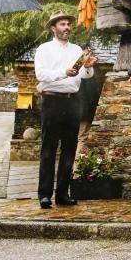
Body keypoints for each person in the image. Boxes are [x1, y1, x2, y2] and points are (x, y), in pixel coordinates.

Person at [34, 12, 97, 208]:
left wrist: (87, 67)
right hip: (52, 101)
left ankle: (62, 194)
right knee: (49, 149)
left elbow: (86, 75)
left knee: (69, 150)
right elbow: (40, 74)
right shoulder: (44, 50)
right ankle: (45, 195)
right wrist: (63, 73)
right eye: (63, 24)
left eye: (69, 24)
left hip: (73, 102)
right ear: (53, 28)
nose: (67, 27)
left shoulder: (76, 49)